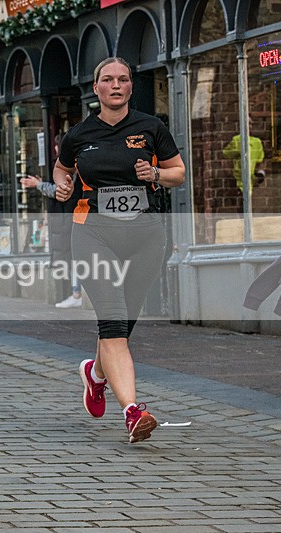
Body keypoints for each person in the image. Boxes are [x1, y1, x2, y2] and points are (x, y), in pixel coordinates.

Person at [53, 57, 185, 444]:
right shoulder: (79, 134)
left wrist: (156, 174)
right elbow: (62, 169)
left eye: (123, 79)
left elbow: (178, 172)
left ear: (130, 86)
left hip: (145, 236)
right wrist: (63, 186)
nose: (115, 85)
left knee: (125, 321)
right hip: (94, 233)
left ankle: (96, 375)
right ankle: (132, 410)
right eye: (107, 80)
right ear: (95, 88)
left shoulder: (151, 128)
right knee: (112, 321)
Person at [20, 174, 83, 308]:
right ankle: (77, 293)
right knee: (73, 256)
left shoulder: (73, 167)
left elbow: (62, 190)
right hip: (68, 217)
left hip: (72, 216)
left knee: (75, 256)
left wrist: (38, 184)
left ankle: (77, 293)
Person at [222, 121, 265, 193]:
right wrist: (230, 176)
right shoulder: (237, 140)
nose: (249, 126)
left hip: (251, 183)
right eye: (246, 123)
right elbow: (225, 157)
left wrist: (260, 175)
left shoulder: (257, 142)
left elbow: (260, 162)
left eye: (250, 123)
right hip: (238, 184)